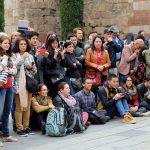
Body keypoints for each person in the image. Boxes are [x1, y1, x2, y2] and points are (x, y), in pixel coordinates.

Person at [12, 37, 37, 136]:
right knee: (19, 107)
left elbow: (34, 70)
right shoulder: (14, 55)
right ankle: (19, 128)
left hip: (28, 83)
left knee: (27, 107)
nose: (23, 46)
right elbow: (15, 67)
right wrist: (22, 58)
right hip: (19, 83)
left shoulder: (30, 55)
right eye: (21, 44)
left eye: (25, 44)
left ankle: (26, 126)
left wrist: (30, 68)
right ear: (18, 46)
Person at [0, 33, 18, 143]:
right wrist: (4, 61)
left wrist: (8, 70)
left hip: (10, 86)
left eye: (8, 43)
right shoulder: (4, 57)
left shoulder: (10, 55)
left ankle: (6, 135)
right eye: (5, 43)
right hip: (1, 87)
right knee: (0, 112)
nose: (7, 45)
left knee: (7, 112)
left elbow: (14, 70)